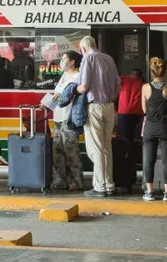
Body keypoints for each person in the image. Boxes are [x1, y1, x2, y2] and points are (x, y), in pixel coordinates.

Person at [77, 36, 121, 198]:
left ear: (83, 49)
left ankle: (100, 186)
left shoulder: (87, 59)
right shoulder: (108, 58)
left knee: (96, 148)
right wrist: (112, 98)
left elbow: (84, 86)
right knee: (106, 147)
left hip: (94, 106)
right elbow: (118, 84)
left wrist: (73, 91)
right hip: (109, 106)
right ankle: (109, 184)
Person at [141, 58, 167, 201]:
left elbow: (144, 109)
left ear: (151, 72)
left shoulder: (145, 87)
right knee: (166, 160)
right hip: (166, 128)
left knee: (149, 160)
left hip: (150, 128)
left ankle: (150, 192)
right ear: (165, 72)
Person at [48, 50, 83, 192]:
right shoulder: (64, 75)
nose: (62, 61)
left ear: (72, 61)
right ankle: (59, 181)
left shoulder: (78, 76)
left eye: (64, 59)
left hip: (69, 118)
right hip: (57, 116)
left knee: (70, 150)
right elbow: (58, 94)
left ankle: (76, 181)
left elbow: (69, 95)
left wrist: (60, 95)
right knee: (57, 150)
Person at [117, 69, 145, 143]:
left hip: (123, 112)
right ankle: (133, 151)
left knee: (123, 138)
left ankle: (127, 152)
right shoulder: (142, 84)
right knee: (135, 136)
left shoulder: (123, 80)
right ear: (140, 77)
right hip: (137, 113)